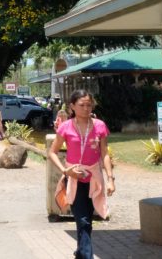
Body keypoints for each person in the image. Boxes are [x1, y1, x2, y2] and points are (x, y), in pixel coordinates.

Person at [48, 89, 115, 259]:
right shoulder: (66, 127)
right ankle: (86, 255)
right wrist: (66, 171)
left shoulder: (99, 125)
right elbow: (52, 152)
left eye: (89, 105)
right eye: (82, 105)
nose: (86, 108)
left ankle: (80, 252)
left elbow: (104, 153)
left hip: (94, 178)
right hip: (75, 178)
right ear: (72, 106)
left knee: (87, 221)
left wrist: (110, 179)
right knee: (83, 220)